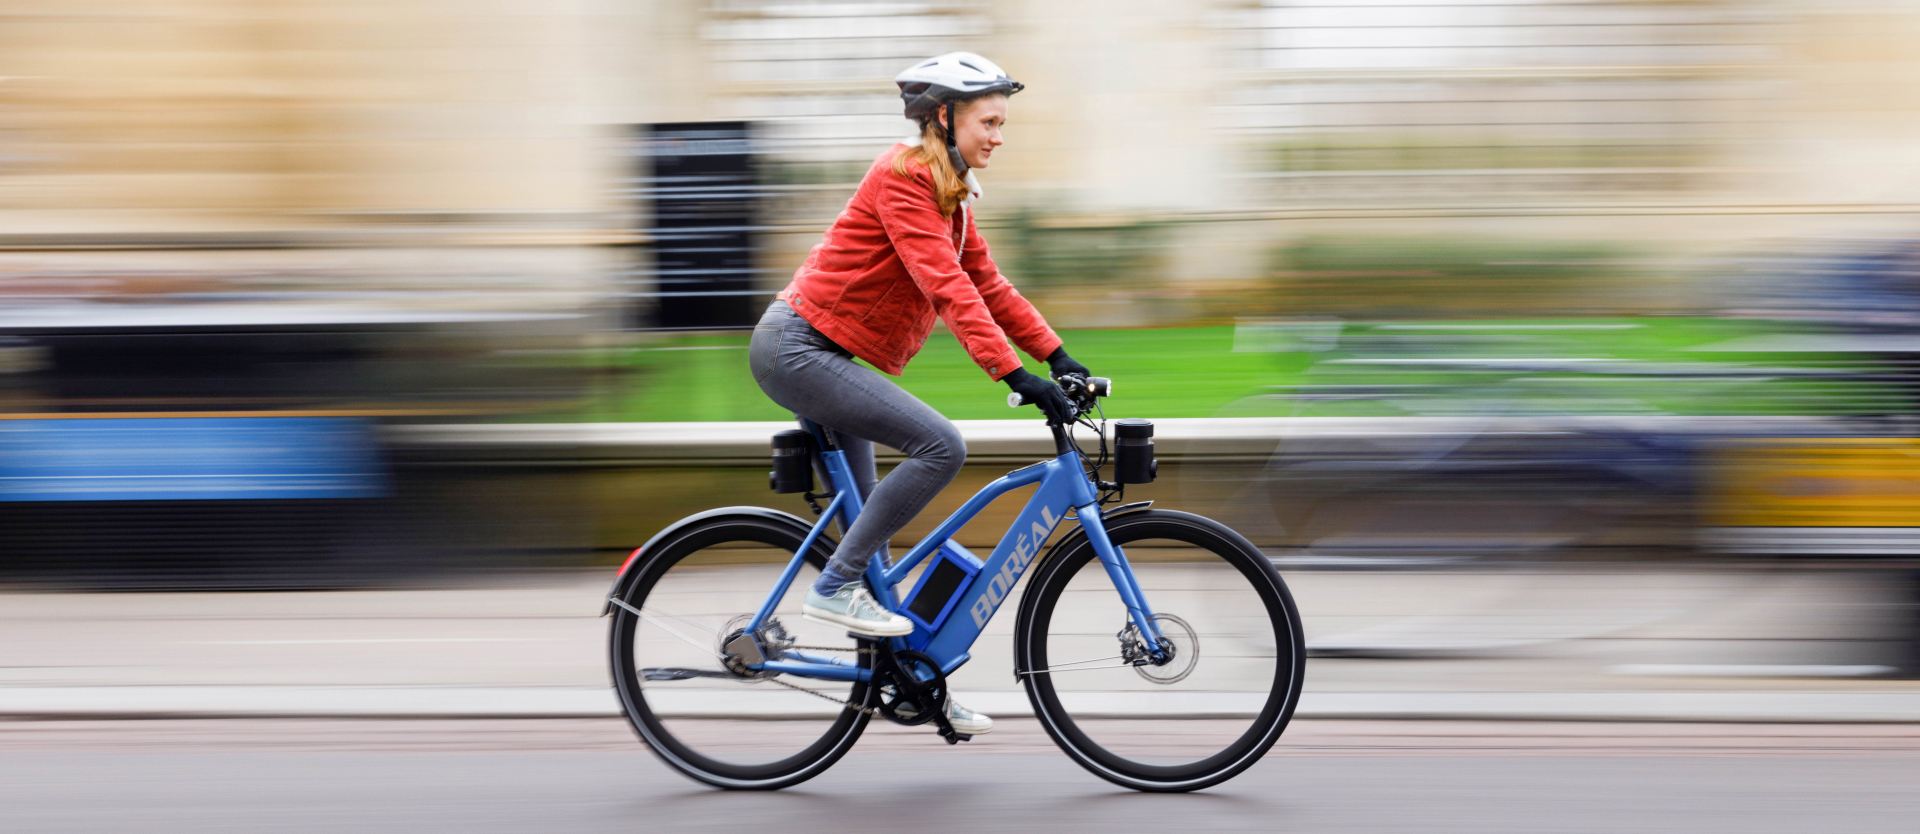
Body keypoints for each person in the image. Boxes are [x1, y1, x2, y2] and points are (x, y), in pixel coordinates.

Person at [747, 52, 1092, 735]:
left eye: (1001, 123)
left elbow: (990, 287)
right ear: (944, 116)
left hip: (824, 353)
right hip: (796, 348)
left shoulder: (950, 193)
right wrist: (1013, 375)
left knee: (874, 545)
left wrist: (1057, 356)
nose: (999, 135)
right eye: (988, 121)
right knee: (941, 444)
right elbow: (947, 288)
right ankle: (833, 587)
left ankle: (914, 681)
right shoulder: (904, 178)